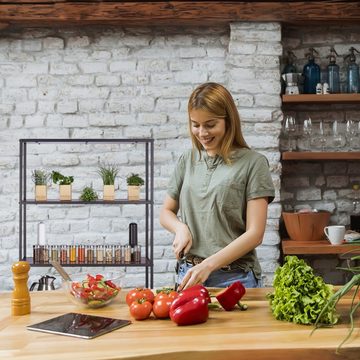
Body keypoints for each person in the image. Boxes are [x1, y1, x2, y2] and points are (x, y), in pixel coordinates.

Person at [159, 82, 275, 291]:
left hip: (235, 279)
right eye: (195, 124)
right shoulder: (188, 159)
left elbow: (255, 234)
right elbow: (166, 212)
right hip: (189, 275)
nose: (202, 132)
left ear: (228, 121)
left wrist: (208, 265)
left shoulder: (254, 163)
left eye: (210, 125)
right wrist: (180, 228)